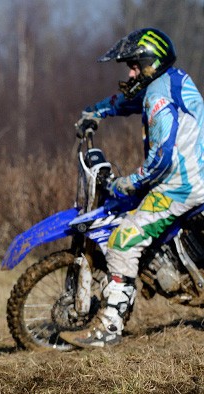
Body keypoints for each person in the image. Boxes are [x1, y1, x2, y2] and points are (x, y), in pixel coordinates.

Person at [61, 28, 204, 348]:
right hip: (193, 177)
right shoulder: (170, 80)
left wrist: (123, 183)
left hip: (180, 186)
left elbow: (160, 162)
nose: (130, 73)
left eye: (135, 66)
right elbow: (127, 101)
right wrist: (95, 112)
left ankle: (109, 327)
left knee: (123, 240)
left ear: (151, 63)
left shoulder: (158, 97)